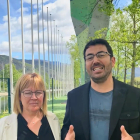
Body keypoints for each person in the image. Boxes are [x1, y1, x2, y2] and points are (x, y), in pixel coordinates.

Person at [61, 39, 140, 140]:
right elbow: (66, 129)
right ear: (85, 65)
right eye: (89, 57)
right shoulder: (74, 97)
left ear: (113, 61)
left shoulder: (135, 95)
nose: (95, 61)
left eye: (101, 55)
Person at [0, 73, 60, 140]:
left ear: (44, 95)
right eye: (28, 93)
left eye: (38, 92)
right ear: (19, 96)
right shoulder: (3, 124)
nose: (34, 97)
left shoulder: (53, 120)